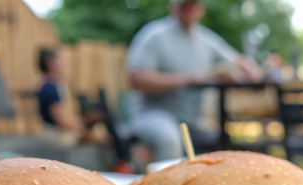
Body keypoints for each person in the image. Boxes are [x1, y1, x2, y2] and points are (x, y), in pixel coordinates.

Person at [125, 0, 261, 161]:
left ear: (200, 9)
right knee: (170, 139)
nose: (190, 8)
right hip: (152, 114)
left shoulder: (206, 39)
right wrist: (187, 79)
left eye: (194, 4)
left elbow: (237, 61)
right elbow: (136, 79)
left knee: (222, 139)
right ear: (173, 6)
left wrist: (250, 69)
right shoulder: (154, 35)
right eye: (185, 4)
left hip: (192, 121)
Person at [36, 48, 92, 147]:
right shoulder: (50, 88)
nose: (63, 62)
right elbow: (59, 118)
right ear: (50, 63)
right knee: (100, 139)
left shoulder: (49, 84)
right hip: (56, 134)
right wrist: (81, 127)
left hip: (53, 130)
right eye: (59, 59)